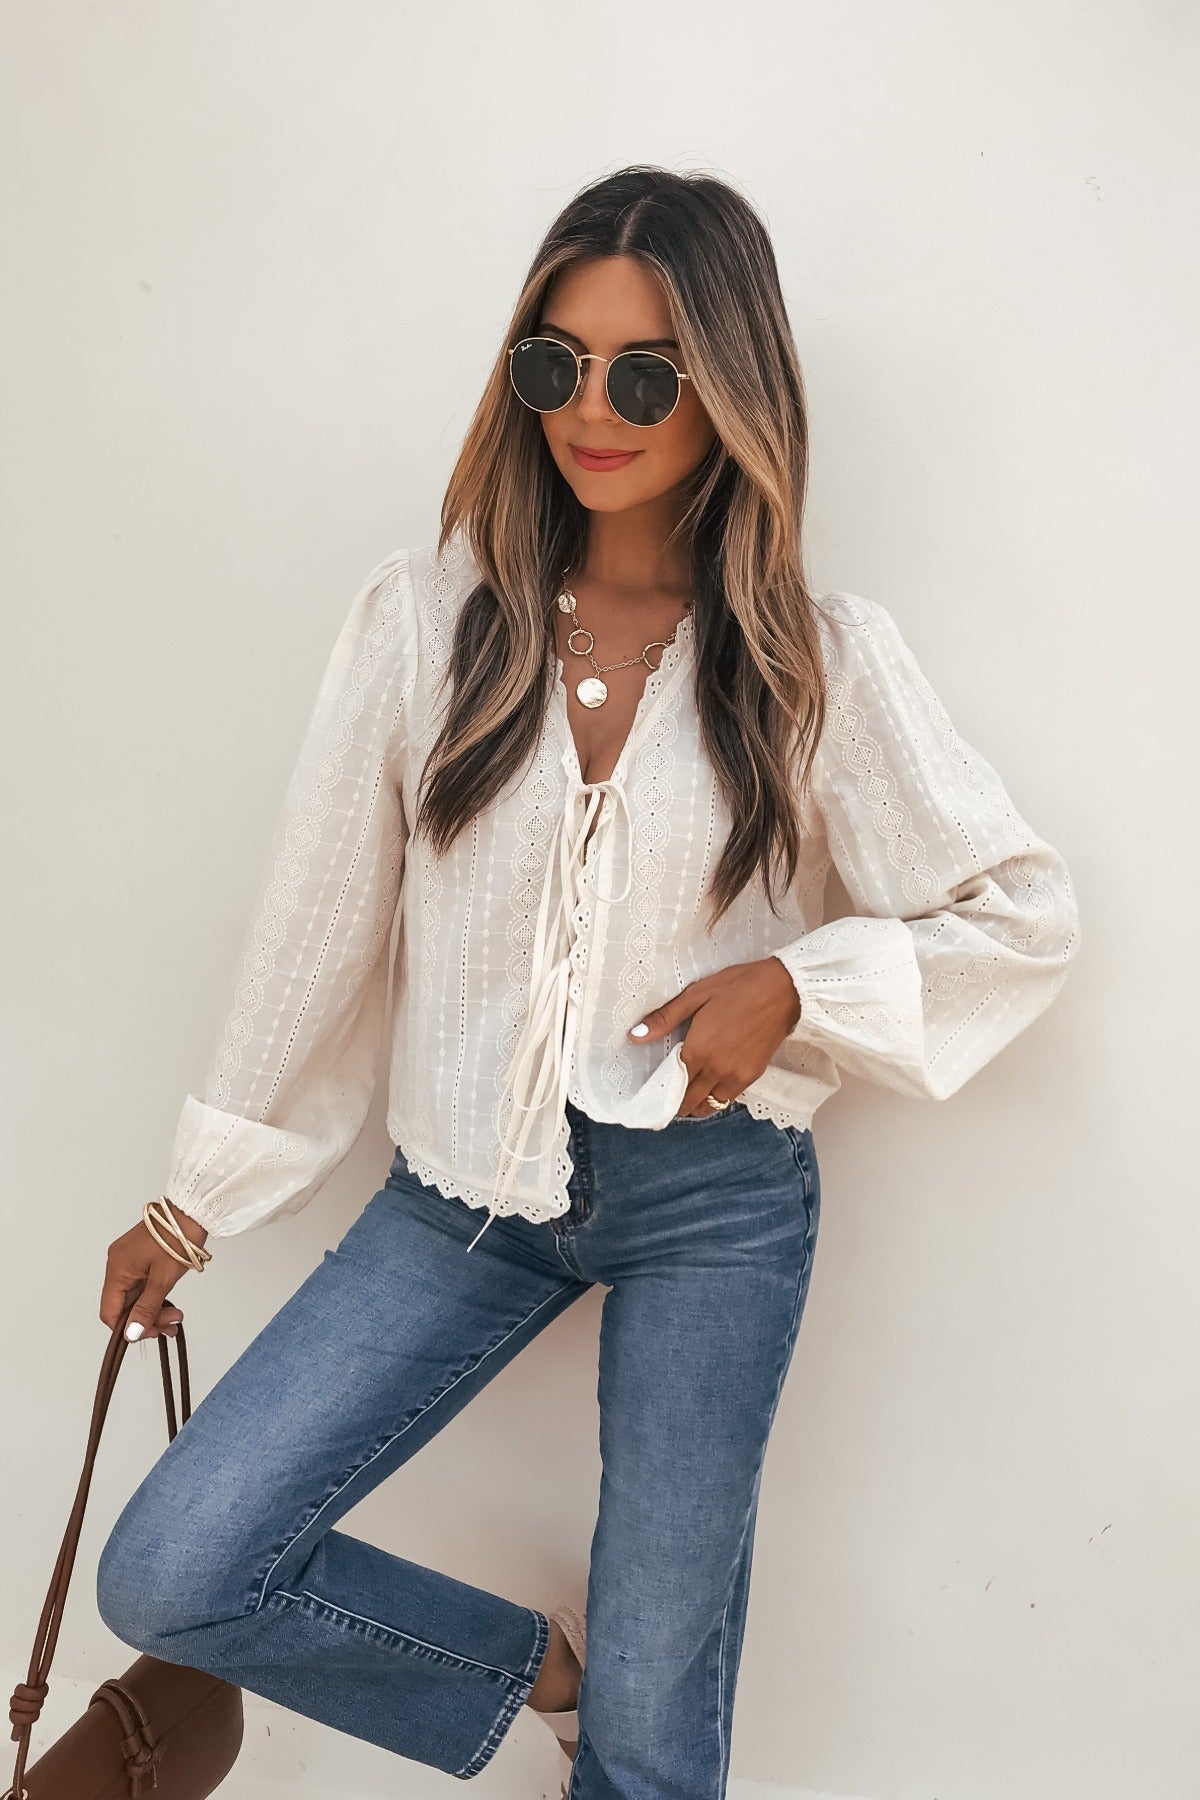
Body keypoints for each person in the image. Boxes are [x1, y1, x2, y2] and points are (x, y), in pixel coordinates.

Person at [93, 164, 1081, 1799]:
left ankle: (616, 1712)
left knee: (651, 1747)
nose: (592, 410)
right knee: (177, 1569)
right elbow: (311, 936)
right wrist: (197, 1199)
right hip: (460, 1187)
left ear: (732, 391)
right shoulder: (430, 628)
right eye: (555, 364)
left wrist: (801, 985)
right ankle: (534, 1669)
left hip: (719, 1202)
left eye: (647, 374)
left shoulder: (811, 662)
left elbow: (1023, 913)